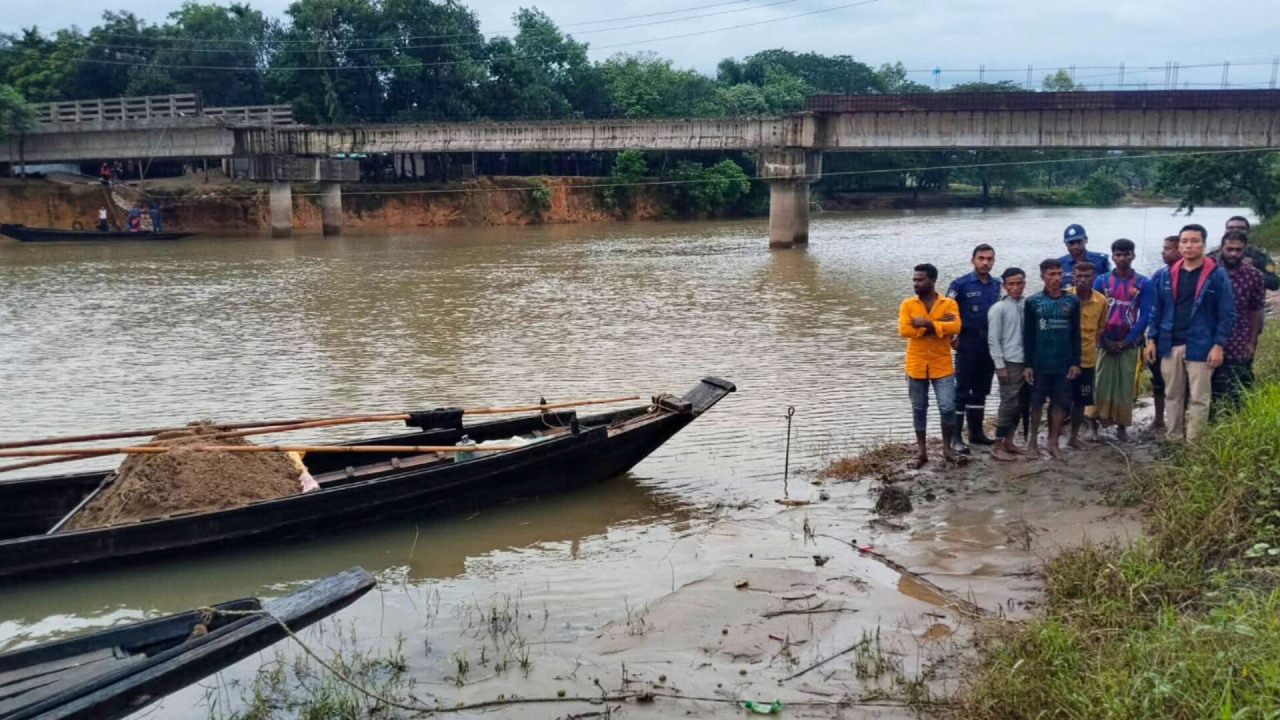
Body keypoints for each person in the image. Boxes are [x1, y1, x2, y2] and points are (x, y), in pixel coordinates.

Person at [1145, 224, 1236, 442]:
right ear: (1179, 245)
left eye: (1194, 241)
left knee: (1199, 398)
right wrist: (1151, 339)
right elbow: (1156, 309)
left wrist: (1218, 345)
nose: (1189, 246)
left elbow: (1227, 313)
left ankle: (1195, 445)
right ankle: (1174, 439)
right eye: (1184, 241)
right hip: (1170, 343)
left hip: (1201, 345)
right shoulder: (1166, 274)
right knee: (1172, 395)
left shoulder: (1216, 275)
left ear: (1204, 244)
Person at [898, 263, 962, 468]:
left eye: (920, 280)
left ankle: (947, 449)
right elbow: (905, 330)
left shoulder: (948, 303)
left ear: (932, 281)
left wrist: (926, 323)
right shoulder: (907, 304)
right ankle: (922, 452)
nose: (915, 283)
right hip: (916, 364)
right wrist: (937, 324)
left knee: (947, 406)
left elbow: (956, 326)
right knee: (919, 408)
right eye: (914, 279)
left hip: (941, 364)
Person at [1091, 239, 1152, 441]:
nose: (1123, 258)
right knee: (1099, 382)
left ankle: (1122, 427)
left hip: (1129, 343)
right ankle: (1093, 425)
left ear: (1133, 255)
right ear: (1113, 257)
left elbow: (1145, 315)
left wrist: (1127, 340)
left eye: (1127, 254)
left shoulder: (1143, 283)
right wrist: (1104, 339)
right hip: (1104, 341)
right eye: (1118, 255)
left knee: (1125, 384)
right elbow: (1094, 312)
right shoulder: (1101, 281)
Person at [1023, 259, 1081, 461]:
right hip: (1040, 362)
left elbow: (1076, 334)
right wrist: (1028, 364)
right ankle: (1032, 442)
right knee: (1036, 404)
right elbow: (1028, 335)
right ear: (1042, 276)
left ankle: (1053, 441)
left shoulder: (1072, 301)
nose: (1056, 278)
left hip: (1063, 363)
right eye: (1051, 274)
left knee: (1060, 403)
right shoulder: (1033, 302)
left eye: (1059, 274)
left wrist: (1075, 362)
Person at [946, 244, 1001, 455]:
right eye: (981, 258)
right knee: (962, 391)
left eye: (990, 259)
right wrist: (951, 337)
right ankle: (956, 437)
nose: (985, 262)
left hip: (989, 345)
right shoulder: (960, 284)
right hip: (967, 343)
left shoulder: (997, 284)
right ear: (973, 260)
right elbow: (945, 311)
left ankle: (976, 433)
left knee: (981, 389)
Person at [1211, 230, 1265, 412]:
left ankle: (1234, 424)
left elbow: (1256, 310)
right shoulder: (1209, 272)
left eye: (1238, 250)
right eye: (1229, 249)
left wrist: (1251, 342)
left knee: (1235, 389)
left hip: (1238, 339)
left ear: (1244, 251)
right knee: (1207, 389)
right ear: (1221, 248)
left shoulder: (1254, 276)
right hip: (1208, 338)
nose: (1233, 253)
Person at [987, 267, 1028, 461]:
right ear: (1004, 286)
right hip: (1009, 362)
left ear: (1024, 284)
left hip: (1025, 361)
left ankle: (1010, 441)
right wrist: (1000, 365)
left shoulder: (1027, 305)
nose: (1016, 287)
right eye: (1011, 284)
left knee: (1020, 403)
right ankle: (997, 445)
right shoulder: (998, 309)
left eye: (1019, 283)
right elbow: (993, 339)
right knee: (1008, 402)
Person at [1065, 262, 1107, 447]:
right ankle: (1053, 438)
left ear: (1094, 277)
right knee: (1059, 400)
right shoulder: (1064, 297)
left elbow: (1100, 329)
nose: (1083, 280)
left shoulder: (1101, 301)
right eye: (1079, 276)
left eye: (1087, 276)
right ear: (1073, 277)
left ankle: (1074, 437)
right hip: (1063, 359)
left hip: (1087, 359)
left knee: (1081, 401)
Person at [1147, 235, 1182, 431]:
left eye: (1168, 249)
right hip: (1161, 337)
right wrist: (1151, 338)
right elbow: (1153, 308)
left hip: (1182, 338)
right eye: (1164, 248)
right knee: (1158, 380)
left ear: (1179, 251)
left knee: (1181, 383)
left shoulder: (1194, 276)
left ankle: (1178, 421)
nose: (1163, 252)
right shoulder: (1160, 275)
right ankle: (1159, 418)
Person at [1210, 216, 1278, 291]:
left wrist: (1254, 272)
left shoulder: (1260, 256)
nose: (1235, 231)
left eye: (1240, 228)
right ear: (1225, 231)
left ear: (1248, 231)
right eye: (1230, 228)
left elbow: (1275, 283)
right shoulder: (1213, 256)